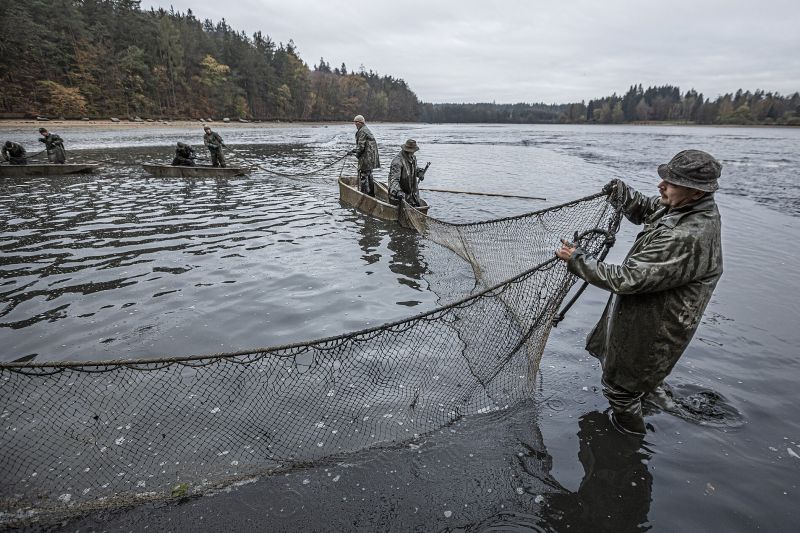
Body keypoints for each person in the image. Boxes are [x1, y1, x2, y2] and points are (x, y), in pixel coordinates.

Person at [555, 149, 723, 435]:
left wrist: (577, 260)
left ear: (696, 192)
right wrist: (625, 196)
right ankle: (653, 397)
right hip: (647, 313)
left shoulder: (686, 235)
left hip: (657, 327)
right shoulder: (686, 207)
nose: (661, 186)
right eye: (663, 179)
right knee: (638, 380)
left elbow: (628, 279)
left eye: (670, 183)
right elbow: (653, 210)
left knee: (621, 390)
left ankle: (630, 443)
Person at [387, 139, 429, 207]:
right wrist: (398, 192)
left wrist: (420, 173)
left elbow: (414, 169)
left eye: (414, 151)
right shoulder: (397, 162)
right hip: (399, 197)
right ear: (406, 150)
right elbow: (394, 180)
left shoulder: (413, 158)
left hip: (412, 197)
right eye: (412, 151)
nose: (413, 153)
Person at [349, 114, 380, 196]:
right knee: (369, 175)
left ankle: (363, 195)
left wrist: (354, 152)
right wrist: (355, 151)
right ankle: (371, 194)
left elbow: (361, 147)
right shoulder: (365, 129)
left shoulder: (362, 131)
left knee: (363, 176)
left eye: (356, 122)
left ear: (360, 123)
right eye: (354, 122)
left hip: (367, 158)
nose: (355, 124)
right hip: (371, 157)